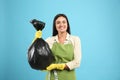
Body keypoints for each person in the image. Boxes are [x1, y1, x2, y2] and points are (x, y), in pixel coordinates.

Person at [35, 13, 82, 80]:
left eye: (64, 22)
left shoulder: (75, 39)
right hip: (51, 77)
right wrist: (37, 40)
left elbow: (77, 62)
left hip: (69, 78)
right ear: (55, 25)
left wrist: (58, 66)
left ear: (67, 24)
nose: (61, 25)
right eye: (58, 23)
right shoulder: (49, 40)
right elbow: (38, 57)